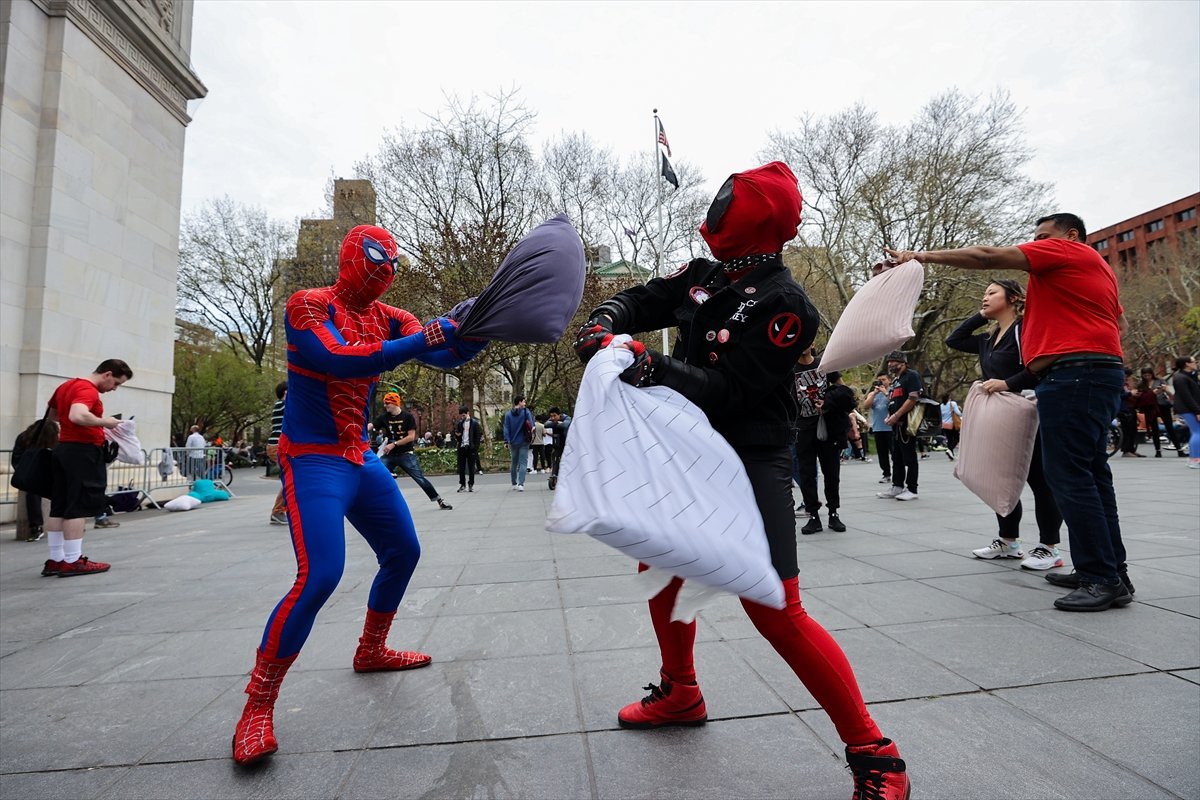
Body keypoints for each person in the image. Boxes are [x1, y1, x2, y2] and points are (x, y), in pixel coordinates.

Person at [576, 162, 909, 799]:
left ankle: (876, 754)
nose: (720, 209)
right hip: (687, 445)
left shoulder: (788, 306)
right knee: (663, 569)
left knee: (776, 609)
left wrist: (652, 366)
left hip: (752, 454)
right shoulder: (706, 275)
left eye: (732, 204)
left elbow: (733, 391)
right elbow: (647, 296)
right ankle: (681, 694)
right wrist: (608, 317)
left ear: (754, 222)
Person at [230, 224, 485, 766]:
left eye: (390, 261)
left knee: (404, 552)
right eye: (375, 258)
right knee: (319, 575)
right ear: (351, 258)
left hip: (358, 455)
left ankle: (371, 649)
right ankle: (257, 707)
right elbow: (340, 359)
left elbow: (441, 356)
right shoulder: (306, 305)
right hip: (312, 457)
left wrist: (478, 330)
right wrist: (426, 338)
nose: (384, 269)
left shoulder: (390, 315)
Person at [886, 211, 1132, 612]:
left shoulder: (1067, 254)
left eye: (1042, 236)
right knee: (1093, 476)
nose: (1035, 243)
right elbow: (1113, 321)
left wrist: (921, 256)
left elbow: (986, 255)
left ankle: (1100, 577)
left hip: (1074, 375)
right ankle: (1110, 571)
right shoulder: (1096, 273)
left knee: (1069, 476)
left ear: (1070, 236)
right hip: (1091, 372)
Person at [945, 279, 1064, 570]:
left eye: (991, 293)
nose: (984, 298)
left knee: (1039, 479)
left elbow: (1041, 366)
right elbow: (954, 339)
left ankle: (1050, 548)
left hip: (1027, 411)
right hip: (1000, 415)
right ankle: (1009, 542)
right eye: (984, 294)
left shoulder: (1025, 329)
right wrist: (981, 315)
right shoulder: (988, 337)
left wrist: (1008, 383)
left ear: (1012, 298)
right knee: (999, 478)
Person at [40, 359, 132, 577]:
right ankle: (72, 560)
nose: (114, 389)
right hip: (82, 452)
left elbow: (53, 414)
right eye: (116, 383)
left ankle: (56, 559)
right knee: (78, 505)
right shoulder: (86, 389)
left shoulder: (66, 386)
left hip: (64, 449)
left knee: (59, 506)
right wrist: (104, 422)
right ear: (107, 374)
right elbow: (77, 415)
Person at [793, 352, 850, 534]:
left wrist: (828, 403)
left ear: (812, 344)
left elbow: (844, 393)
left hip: (828, 425)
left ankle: (834, 513)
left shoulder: (825, 365)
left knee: (831, 471)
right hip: (803, 427)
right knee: (806, 473)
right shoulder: (790, 368)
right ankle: (813, 516)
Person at [372, 392, 452, 510]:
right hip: (389, 455)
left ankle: (439, 500)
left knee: (419, 478)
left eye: (387, 403)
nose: (385, 406)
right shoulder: (384, 417)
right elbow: (371, 425)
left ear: (394, 403)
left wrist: (394, 444)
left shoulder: (407, 417)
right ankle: (374, 503)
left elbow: (411, 437)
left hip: (406, 454)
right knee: (375, 473)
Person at [876, 351, 922, 501]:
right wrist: (890, 415)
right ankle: (897, 486)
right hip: (896, 425)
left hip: (907, 423)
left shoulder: (911, 376)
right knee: (897, 457)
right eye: (889, 361)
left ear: (903, 362)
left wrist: (897, 415)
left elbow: (913, 398)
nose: (890, 364)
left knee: (909, 457)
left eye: (893, 361)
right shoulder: (896, 380)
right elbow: (894, 401)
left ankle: (912, 488)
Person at [11, 417, 60, 541]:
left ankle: (38, 526)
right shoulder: (26, 438)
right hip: (30, 473)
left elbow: (16, 458)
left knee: (51, 491)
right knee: (33, 492)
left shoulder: (25, 437)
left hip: (38, 472)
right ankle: (37, 526)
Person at [863, 373, 893, 484]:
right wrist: (874, 394)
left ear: (889, 380)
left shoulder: (892, 392)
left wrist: (886, 393)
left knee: (894, 452)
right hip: (878, 428)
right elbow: (866, 406)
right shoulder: (873, 394)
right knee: (882, 453)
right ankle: (886, 474)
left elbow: (894, 403)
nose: (882, 382)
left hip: (891, 428)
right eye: (879, 380)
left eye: (884, 380)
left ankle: (898, 473)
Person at [1172, 355, 1200, 469]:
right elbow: (1187, 397)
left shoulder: (1188, 377)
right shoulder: (1181, 378)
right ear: (1187, 364)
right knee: (1197, 432)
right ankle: (1195, 459)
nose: (1196, 363)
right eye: (1194, 361)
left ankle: (1193, 458)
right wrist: (1197, 411)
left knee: (1196, 432)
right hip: (1188, 409)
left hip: (1189, 408)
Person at [502, 395, 535, 491]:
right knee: (523, 463)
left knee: (514, 463)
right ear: (519, 402)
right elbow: (531, 425)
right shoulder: (526, 412)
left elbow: (506, 428)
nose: (525, 404)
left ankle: (514, 483)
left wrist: (506, 440)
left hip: (513, 442)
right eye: (524, 402)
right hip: (524, 441)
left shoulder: (508, 414)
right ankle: (521, 484)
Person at [267, 382, 287, 524]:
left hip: (278, 446)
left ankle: (282, 510)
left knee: (293, 479)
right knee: (292, 479)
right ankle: (278, 511)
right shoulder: (281, 405)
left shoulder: (281, 405)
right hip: (278, 446)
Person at [1133, 368, 1165, 457]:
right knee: (1154, 430)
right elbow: (1141, 397)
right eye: (1145, 375)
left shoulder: (1159, 381)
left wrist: (1162, 390)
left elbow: (1166, 390)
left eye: (1149, 375)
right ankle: (1158, 450)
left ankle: (1178, 448)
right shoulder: (1141, 384)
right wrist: (1152, 393)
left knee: (1169, 427)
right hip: (1150, 409)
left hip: (1162, 405)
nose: (1147, 377)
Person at [453, 405, 482, 492]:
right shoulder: (459, 423)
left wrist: (475, 447)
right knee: (461, 467)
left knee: (471, 467)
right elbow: (458, 436)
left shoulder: (475, 423)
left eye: (464, 415)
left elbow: (478, 436)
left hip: (471, 448)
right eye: (461, 415)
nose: (462, 417)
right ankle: (462, 484)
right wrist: (457, 436)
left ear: (468, 413)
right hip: (461, 447)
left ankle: (470, 484)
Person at [938, 393, 961, 459]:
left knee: (950, 439)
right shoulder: (952, 403)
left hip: (945, 425)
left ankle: (951, 454)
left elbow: (940, 415)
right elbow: (958, 413)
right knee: (957, 438)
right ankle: (950, 450)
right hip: (952, 424)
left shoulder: (941, 406)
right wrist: (961, 413)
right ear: (948, 397)